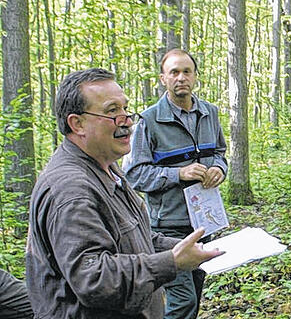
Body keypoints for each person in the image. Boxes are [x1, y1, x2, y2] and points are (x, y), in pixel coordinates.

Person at [25, 68, 221, 319]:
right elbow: (93, 278)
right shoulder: (71, 189)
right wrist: (170, 262)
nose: (126, 120)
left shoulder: (106, 167)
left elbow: (134, 238)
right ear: (77, 123)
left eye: (125, 109)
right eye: (112, 112)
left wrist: (189, 248)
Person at [123, 49, 228, 319]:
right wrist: (178, 174)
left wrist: (219, 168)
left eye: (186, 72)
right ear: (163, 78)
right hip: (167, 227)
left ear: (195, 77)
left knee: (194, 293)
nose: (181, 78)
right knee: (182, 301)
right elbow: (134, 174)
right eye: (174, 72)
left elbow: (219, 152)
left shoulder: (209, 113)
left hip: (204, 222)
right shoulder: (148, 121)